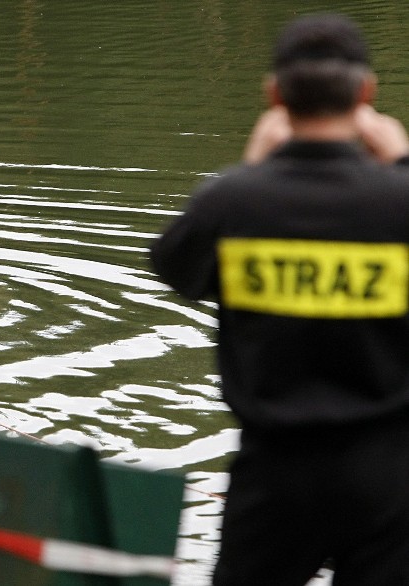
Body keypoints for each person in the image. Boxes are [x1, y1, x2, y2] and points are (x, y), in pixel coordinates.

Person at [150, 14, 409, 586]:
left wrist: (252, 169)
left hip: (273, 472)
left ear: (274, 97)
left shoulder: (235, 202)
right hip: (387, 476)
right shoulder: (401, 203)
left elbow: (173, 265)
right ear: (366, 94)